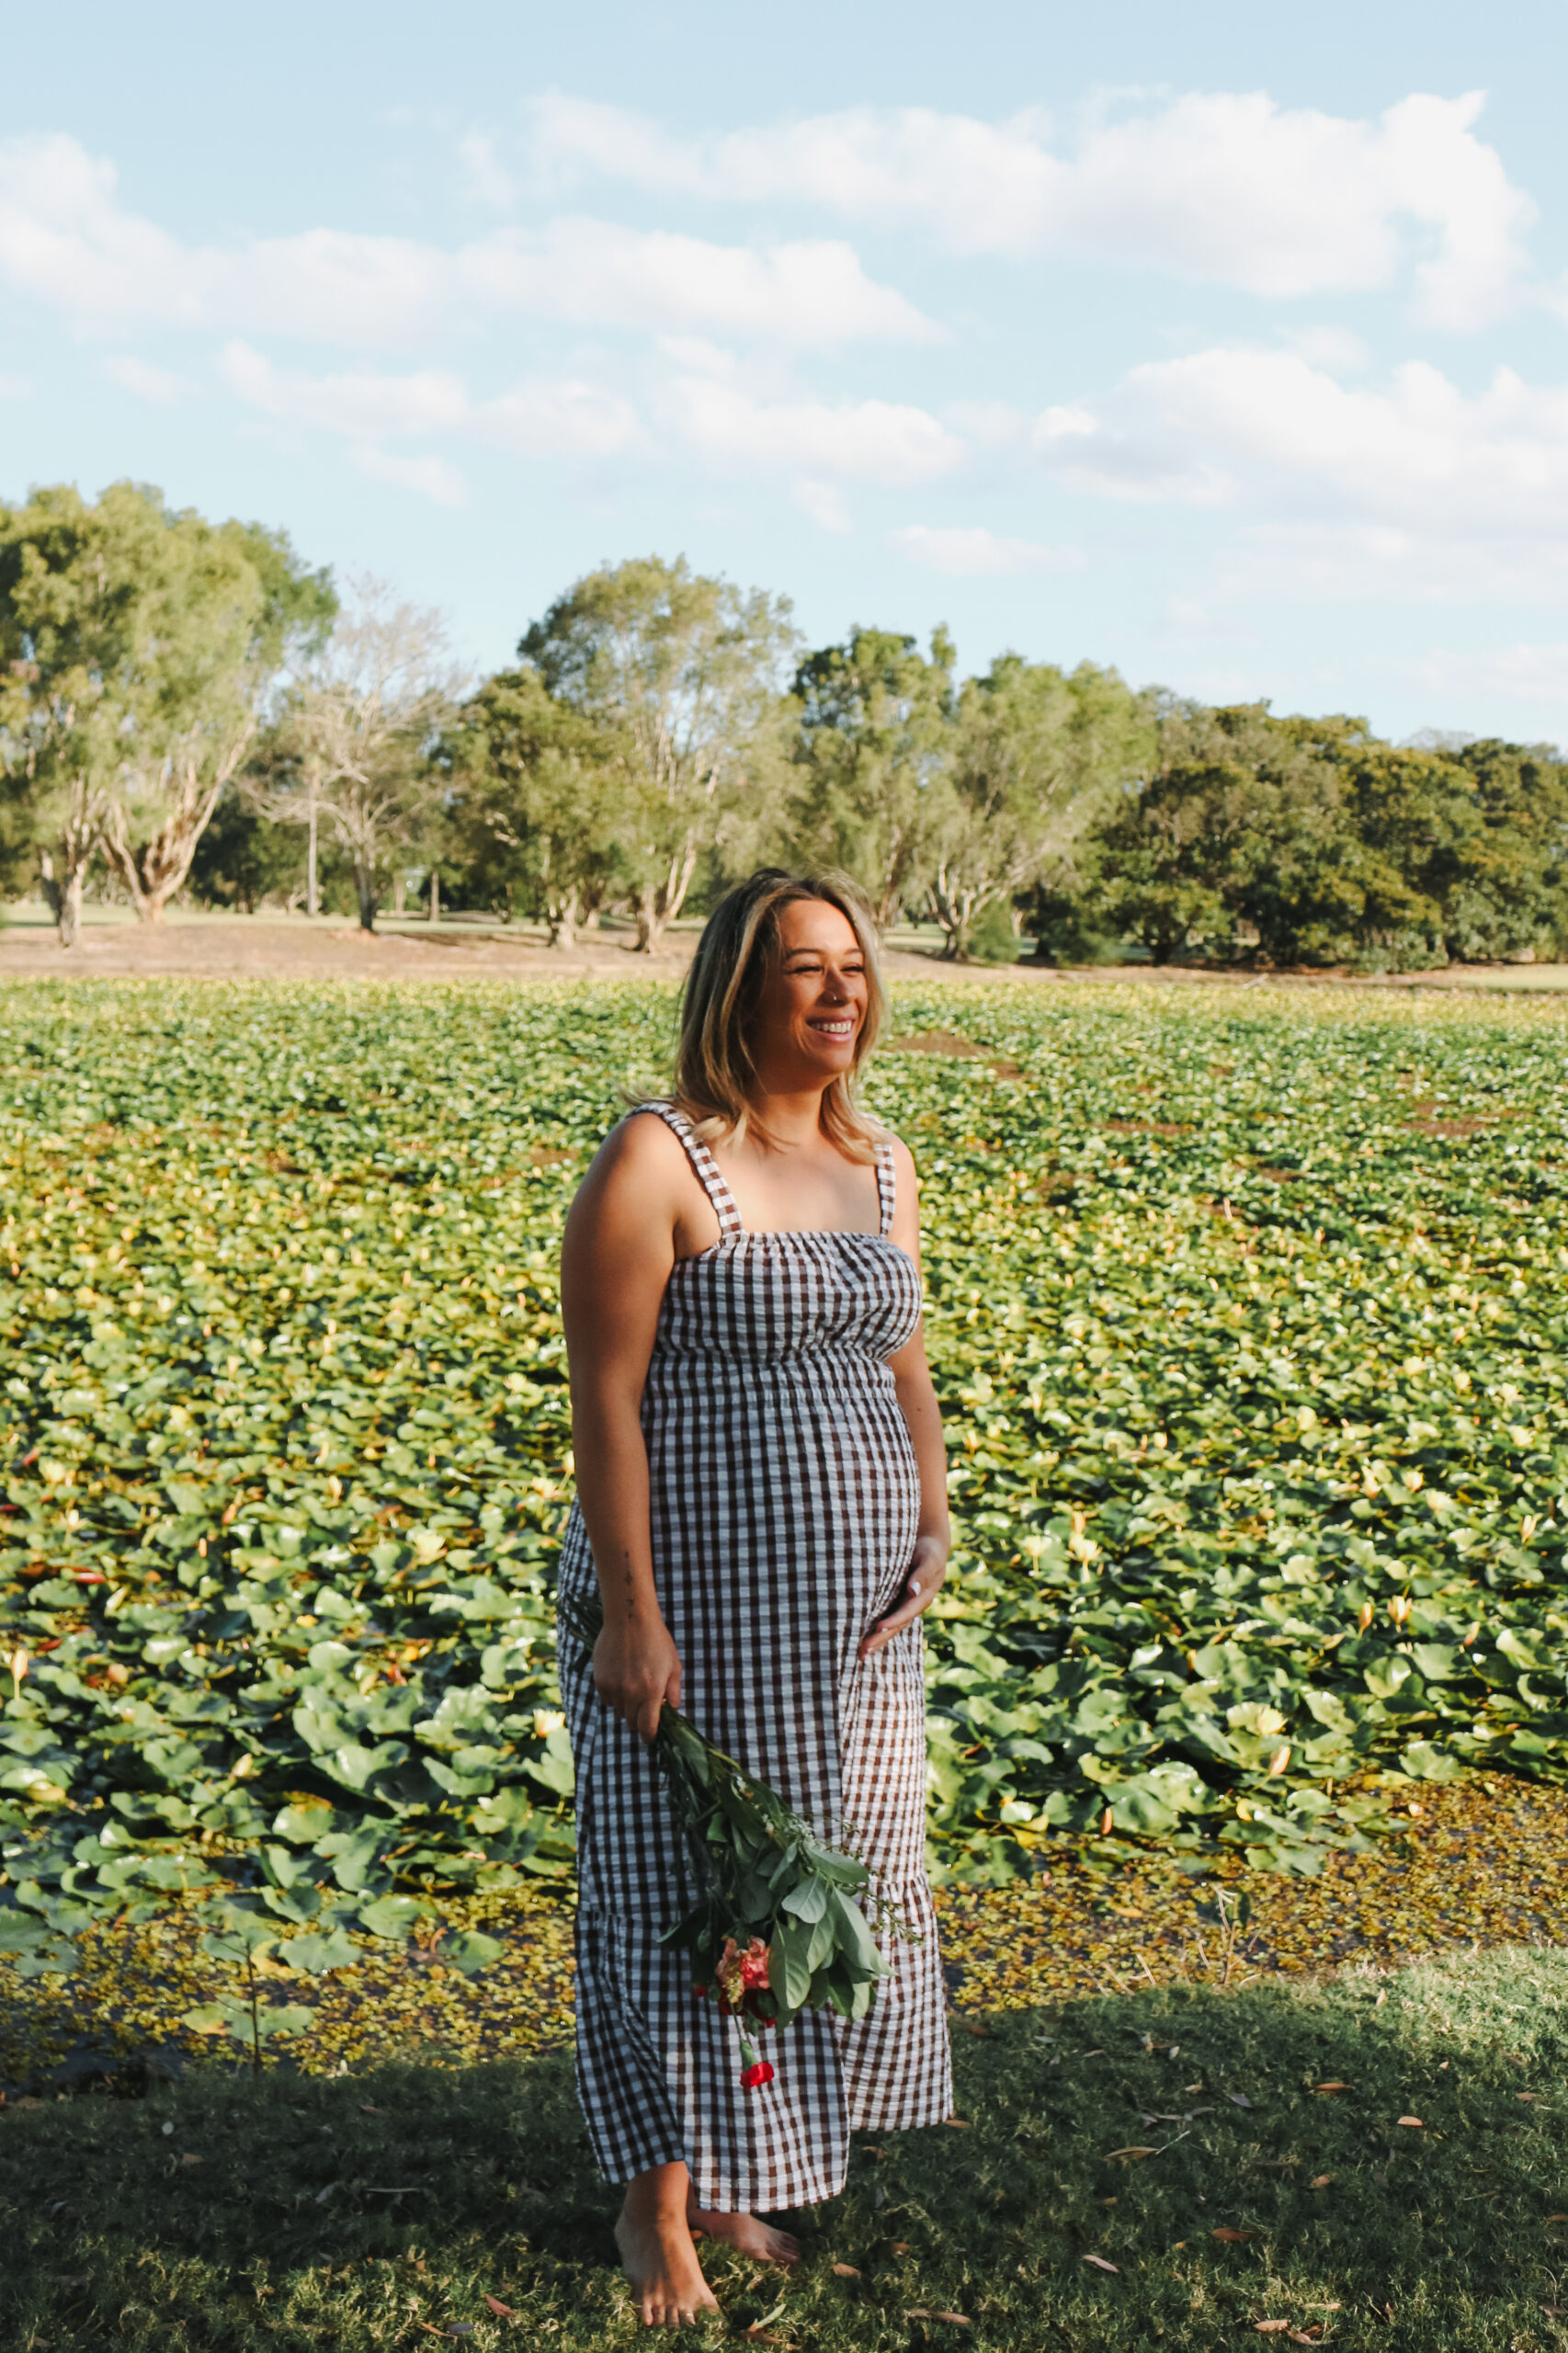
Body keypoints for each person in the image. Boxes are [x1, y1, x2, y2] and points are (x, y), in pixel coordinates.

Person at [556, 869, 952, 2328]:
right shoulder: (660, 1157)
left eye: (854, 966)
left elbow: (902, 1359)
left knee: (810, 1888)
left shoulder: (882, 1163)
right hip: (699, 1607)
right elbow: (604, 1404)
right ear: (739, 987)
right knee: (686, 1890)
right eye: (805, 967)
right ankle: (653, 2207)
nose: (841, 992)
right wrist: (630, 1614)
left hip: (853, 1628)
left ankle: (736, 2171)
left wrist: (931, 1515)